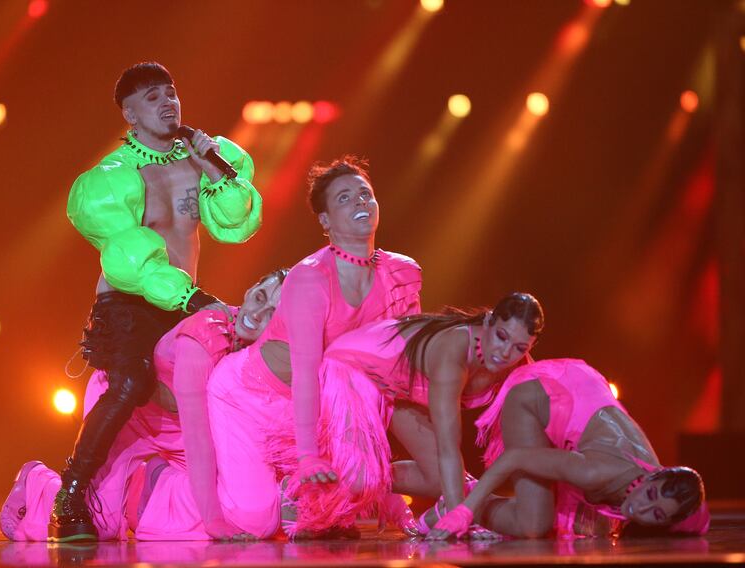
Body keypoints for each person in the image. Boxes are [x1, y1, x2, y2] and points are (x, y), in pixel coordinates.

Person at [137, 155, 422, 540]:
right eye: (344, 198)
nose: (359, 202)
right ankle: (156, 484)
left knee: (349, 469)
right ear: (325, 220)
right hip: (236, 403)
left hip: (299, 403)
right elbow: (305, 374)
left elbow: (390, 376)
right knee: (255, 521)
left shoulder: (400, 273)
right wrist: (307, 457)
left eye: (364, 194)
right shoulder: (305, 282)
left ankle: (293, 496)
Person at [49, 61, 262, 542]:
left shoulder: (201, 156)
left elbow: (235, 225)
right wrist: (191, 298)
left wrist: (216, 168)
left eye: (170, 92)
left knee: (233, 380)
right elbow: (128, 256)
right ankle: (70, 493)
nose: (168, 102)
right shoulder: (113, 176)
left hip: (182, 303)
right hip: (129, 303)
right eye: (152, 97)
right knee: (132, 381)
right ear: (129, 114)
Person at [0, 269, 285, 542]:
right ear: (251, 290)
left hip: (178, 427)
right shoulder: (205, 333)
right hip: (131, 416)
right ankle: (36, 482)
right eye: (260, 297)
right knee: (101, 525)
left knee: (228, 499)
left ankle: (148, 484)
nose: (257, 315)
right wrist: (213, 523)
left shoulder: (264, 353)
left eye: (272, 313)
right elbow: (199, 440)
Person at [272, 293, 542, 535]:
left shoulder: (519, 367)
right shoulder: (453, 351)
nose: (505, 353)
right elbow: (449, 444)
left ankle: (395, 492)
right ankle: (296, 486)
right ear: (488, 321)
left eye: (520, 347)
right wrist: (462, 515)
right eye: (502, 336)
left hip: (398, 387)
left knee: (438, 479)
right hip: (353, 367)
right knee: (361, 479)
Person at [424, 358, 709, 540]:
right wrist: (464, 511)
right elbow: (515, 458)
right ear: (652, 477)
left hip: (581, 386)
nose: (641, 507)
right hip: (537, 394)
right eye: (650, 495)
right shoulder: (595, 472)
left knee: (585, 531)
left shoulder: (660, 480)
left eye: (656, 515)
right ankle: (458, 499)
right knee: (533, 525)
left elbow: (698, 516)